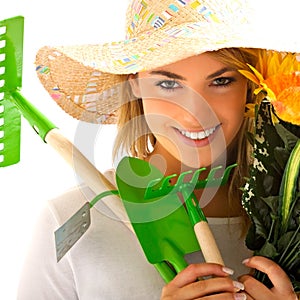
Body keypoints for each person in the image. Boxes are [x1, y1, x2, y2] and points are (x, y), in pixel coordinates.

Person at [17, 0, 299, 299]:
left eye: (221, 81)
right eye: (168, 84)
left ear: (251, 85)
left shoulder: (291, 218)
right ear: (134, 83)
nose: (196, 113)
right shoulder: (66, 219)